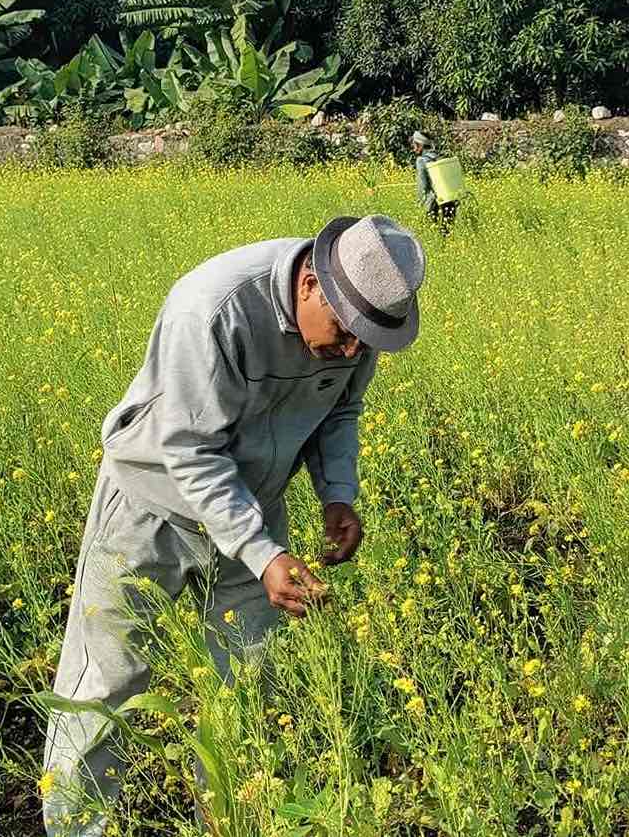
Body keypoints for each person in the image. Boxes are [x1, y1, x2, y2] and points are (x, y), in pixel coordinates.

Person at [42, 214, 426, 836]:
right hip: (151, 506)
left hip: (255, 506)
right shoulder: (213, 308)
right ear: (309, 284)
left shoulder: (357, 326)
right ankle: (74, 828)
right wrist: (263, 552)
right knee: (109, 679)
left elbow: (341, 412)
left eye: (367, 341)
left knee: (247, 680)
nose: (353, 352)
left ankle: (229, 819)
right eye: (345, 333)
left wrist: (337, 495)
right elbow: (191, 450)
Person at [412, 131, 457, 236]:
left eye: (414, 144)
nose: (413, 147)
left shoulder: (421, 160)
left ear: (420, 145)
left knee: (432, 234)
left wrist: (420, 204)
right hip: (449, 201)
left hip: (434, 203)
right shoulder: (440, 157)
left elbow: (423, 187)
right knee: (447, 234)